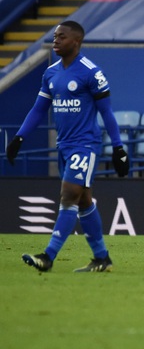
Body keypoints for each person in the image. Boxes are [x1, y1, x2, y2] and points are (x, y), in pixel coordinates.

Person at [8, 20, 129, 273]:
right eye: (54, 37)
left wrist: (118, 148)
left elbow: (106, 113)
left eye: (61, 37)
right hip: (64, 145)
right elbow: (39, 109)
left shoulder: (91, 72)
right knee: (83, 201)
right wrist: (19, 138)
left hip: (85, 145)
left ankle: (48, 256)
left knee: (68, 195)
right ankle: (102, 258)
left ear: (76, 41)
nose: (55, 41)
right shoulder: (51, 73)